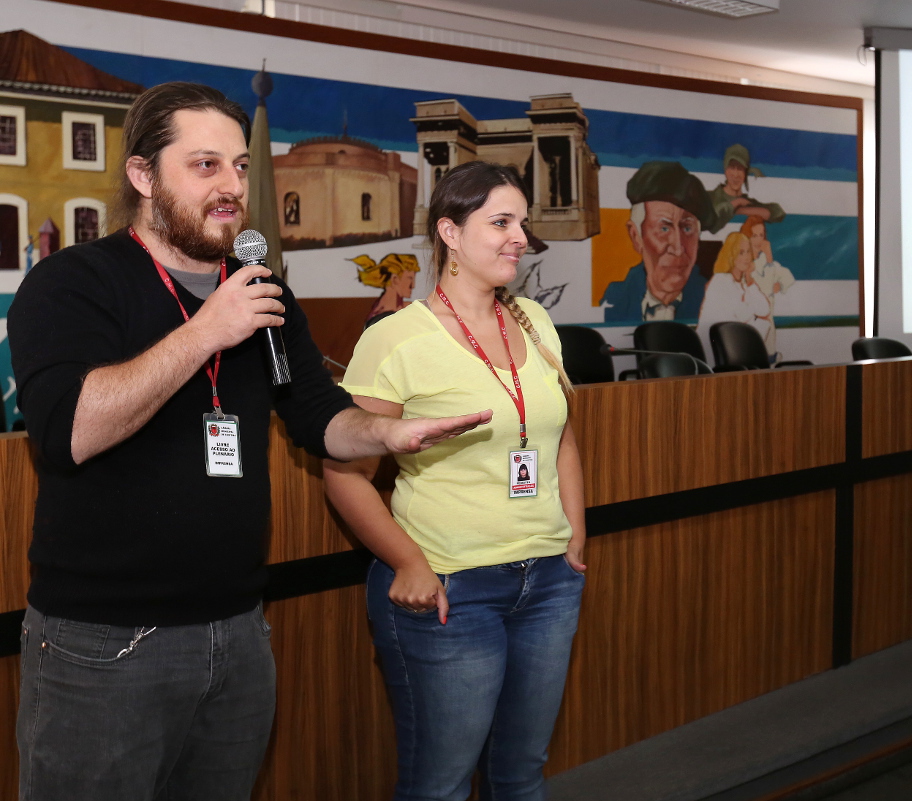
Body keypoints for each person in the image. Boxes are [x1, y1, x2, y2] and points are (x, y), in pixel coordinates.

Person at [7, 82, 489, 801]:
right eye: (205, 166)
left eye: (238, 166)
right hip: (105, 643)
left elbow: (318, 416)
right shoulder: (74, 282)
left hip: (237, 632)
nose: (232, 186)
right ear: (144, 177)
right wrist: (207, 329)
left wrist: (389, 430)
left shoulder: (261, 291)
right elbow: (68, 430)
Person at [325, 160, 587, 801]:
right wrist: (407, 562)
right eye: (500, 222)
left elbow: (561, 439)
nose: (518, 237)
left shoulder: (533, 321)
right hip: (451, 589)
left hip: (548, 582)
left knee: (521, 775)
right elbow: (344, 471)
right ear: (449, 231)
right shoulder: (395, 338)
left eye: (522, 223)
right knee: (440, 784)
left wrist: (574, 537)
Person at [600, 160, 716, 323]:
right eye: (664, 229)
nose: (677, 248)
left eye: (687, 228)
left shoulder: (713, 299)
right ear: (636, 237)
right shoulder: (613, 299)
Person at [696, 231, 771, 364]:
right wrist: (756, 319)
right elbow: (739, 317)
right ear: (731, 255)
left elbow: (764, 310)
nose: (747, 257)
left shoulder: (743, 283)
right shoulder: (720, 280)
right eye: (741, 252)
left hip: (732, 350)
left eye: (748, 252)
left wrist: (750, 281)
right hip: (712, 355)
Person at [743, 217, 795, 361]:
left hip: (768, 318)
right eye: (754, 235)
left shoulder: (767, 263)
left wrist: (779, 283)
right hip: (749, 316)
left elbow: (786, 278)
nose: (759, 240)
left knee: (769, 353)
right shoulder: (743, 263)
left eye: (761, 235)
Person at [707, 144, 786, 233]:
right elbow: (712, 223)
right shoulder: (708, 197)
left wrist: (741, 210)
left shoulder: (747, 202)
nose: (736, 175)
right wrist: (736, 203)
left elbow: (778, 213)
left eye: (740, 169)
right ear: (725, 170)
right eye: (732, 167)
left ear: (745, 173)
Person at [352, 252, 421, 322]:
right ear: (395, 279)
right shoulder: (381, 316)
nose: (413, 286)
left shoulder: (408, 307)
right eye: (410, 278)